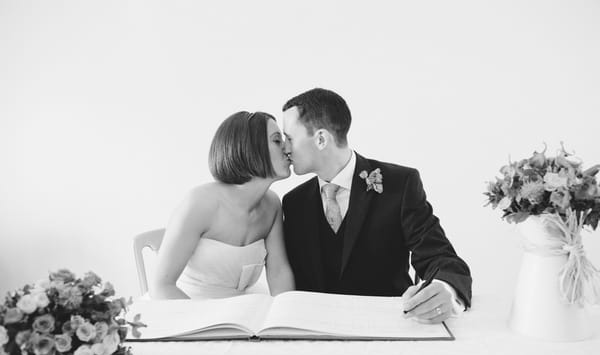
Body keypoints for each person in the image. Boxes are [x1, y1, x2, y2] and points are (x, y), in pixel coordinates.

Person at [281, 88, 472, 323]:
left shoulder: (400, 185)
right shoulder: (293, 203)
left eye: (289, 138)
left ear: (321, 139)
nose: (285, 148)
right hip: (316, 334)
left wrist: (446, 290)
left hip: (390, 332)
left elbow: (442, 258)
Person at [150, 111, 295, 299]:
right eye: (277, 141)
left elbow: (279, 273)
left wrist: (286, 316)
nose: (288, 148)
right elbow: (161, 286)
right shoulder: (200, 203)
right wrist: (206, 326)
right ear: (249, 148)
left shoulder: (272, 205)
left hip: (241, 310)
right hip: (187, 308)